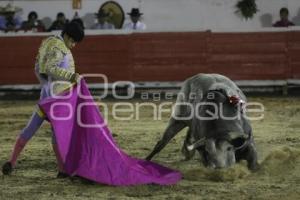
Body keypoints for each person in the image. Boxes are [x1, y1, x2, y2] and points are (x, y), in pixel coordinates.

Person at [2, 21, 84, 178]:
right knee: (57, 134)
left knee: (30, 129)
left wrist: (45, 86)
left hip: (46, 98)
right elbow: (50, 68)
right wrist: (71, 76)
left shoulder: (48, 41)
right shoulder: (59, 46)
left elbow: (38, 68)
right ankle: (62, 170)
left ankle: (12, 162)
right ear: (66, 35)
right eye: (72, 41)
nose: (73, 45)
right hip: (57, 101)